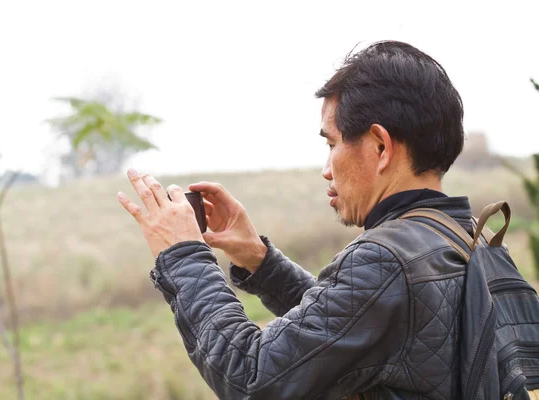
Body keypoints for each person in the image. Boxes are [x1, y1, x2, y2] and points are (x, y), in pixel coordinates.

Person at [117, 41, 469, 399]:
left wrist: (185, 257)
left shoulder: (388, 263)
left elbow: (252, 378)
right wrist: (260, 261)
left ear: (381, 147)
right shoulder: (469, 240)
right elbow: (350, 328)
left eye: (332, 145)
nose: (326, 170)